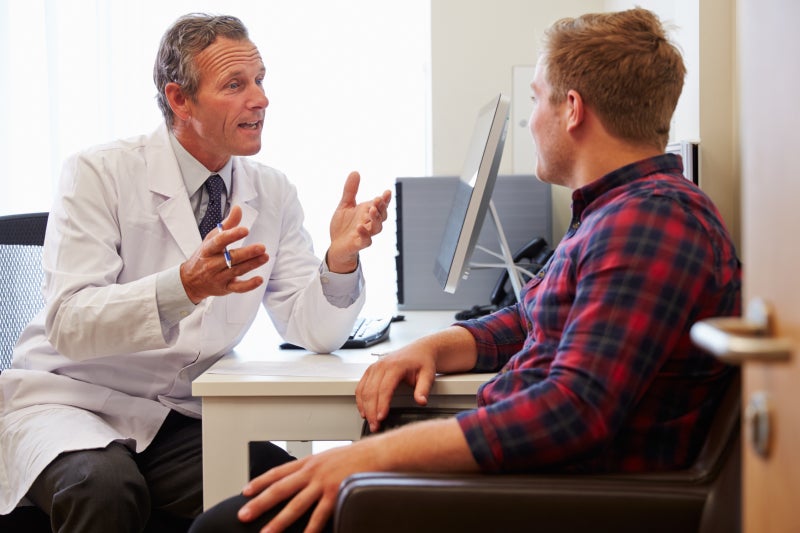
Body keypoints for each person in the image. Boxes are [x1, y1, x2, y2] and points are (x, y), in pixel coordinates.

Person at [189, 7, 742, 533]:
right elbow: (528, 321)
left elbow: (570, 413)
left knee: (224, 525)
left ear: (572, 109)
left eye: (537, 101)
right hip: (536, 483)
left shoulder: (648, 224)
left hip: (561, 499)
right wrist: (430, 348)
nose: (531, 122)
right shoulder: (616, 212)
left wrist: (362, 461)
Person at [0, 12, 391, 533]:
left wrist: (339, 261)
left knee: (298, 496)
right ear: (180, 100)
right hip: (70, 402)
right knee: (106, 490)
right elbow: (69, 322)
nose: (261, 99)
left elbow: (311, 330)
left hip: (174, 418)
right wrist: (182, 287)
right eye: (235, 84)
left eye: (260, 80)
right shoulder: (97, 172)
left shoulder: (271, 192)